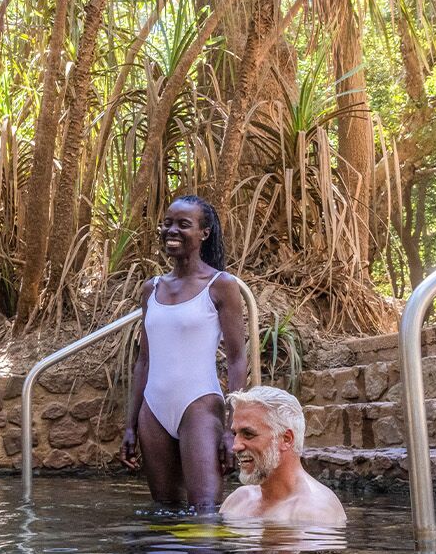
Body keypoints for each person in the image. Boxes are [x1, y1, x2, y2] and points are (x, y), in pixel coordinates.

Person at [122, 195, 248, 510]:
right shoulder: (151, 288)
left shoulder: (221, 285)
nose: (171, 231)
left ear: (204, 232)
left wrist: (233, 428)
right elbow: (144, 361)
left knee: (205, 511)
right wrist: (130, 426)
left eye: (183, 224)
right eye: (167, 223)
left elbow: (237, 359)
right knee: (165, 511)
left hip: (199, 405)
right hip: (153, 409)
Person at [221, 386, 346, 525]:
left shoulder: (313, 513)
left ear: (286, 439)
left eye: (248, 434)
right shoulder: (237, 500)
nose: (235, 446)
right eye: (235, 434)